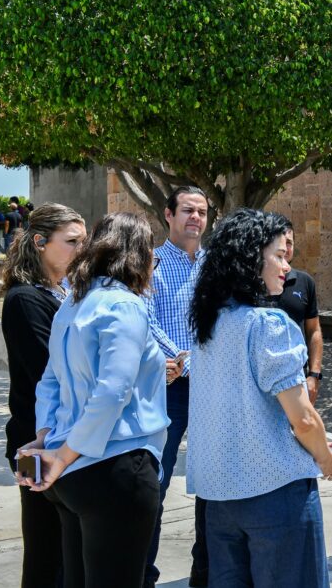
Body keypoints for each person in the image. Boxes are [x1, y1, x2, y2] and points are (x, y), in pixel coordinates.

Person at [186, 209, 332, 588]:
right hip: (276, 495)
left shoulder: (208, 326)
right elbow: (302, 418)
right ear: (250, 259)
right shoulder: (267, 325)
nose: (287, 267)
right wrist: (326, 458)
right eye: (279, 255)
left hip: (219, 497)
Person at [17, 213, 169, 588]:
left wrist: (45, 440)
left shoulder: (73, 303)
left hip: (72, 475)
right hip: (116, 466)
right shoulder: (125, 305)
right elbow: (113, 391)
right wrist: (62, 455)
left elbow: (50, 381)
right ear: (138, 254)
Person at [2, 203, 86, 587]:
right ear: (39, 242)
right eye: (72, 242)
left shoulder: (66, 293)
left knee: (69, 556)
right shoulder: (24, 299)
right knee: (45, 554)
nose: (81, 251)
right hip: (31, 444)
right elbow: (47, 371)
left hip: (62, 440)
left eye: (84, 242)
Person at [144, 185, 210, 588]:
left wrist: (199, 362)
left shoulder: (214, 266)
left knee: (212, 481)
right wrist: (184, 359)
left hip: (211, 389)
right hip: (168, 387)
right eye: (187, 210)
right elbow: (146, 319)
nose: (195, 218)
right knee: (156, 482)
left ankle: (205, 571)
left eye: (201, 211)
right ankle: (144, 575)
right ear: (168, 215)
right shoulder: (149, 263)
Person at [274, 222, 323, 402]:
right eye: (281, 242)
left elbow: (314, 330)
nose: (285, 248)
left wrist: (314, 375)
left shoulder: (305, 282)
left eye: (289, 242)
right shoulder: (252, 284)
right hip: (259, 381)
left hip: (296, 378)